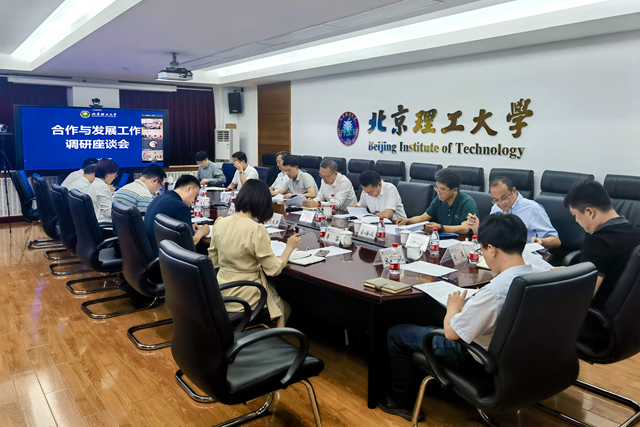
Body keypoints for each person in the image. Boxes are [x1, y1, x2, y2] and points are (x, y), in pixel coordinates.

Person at [379, 214, 535, 421]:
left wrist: (453, 308)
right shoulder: (537, 277)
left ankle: (401, 403)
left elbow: (452, 333)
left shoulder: (496, 291)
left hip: (479, 359)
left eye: (482, 250)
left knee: (397, 334)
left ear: (492, 249)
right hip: (524, 361)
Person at [209, 179, 301, 327]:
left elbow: (213, 261)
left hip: (221, 292)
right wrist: (289, 247)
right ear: (263, 203)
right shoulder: (256, 229)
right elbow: (274, 270)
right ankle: (273, 338)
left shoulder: (220, 222)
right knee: (285, 307)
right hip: (247, 295)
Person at [564, 180, 640, 309]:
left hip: (595, 314)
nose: (576, 220)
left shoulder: (598, 242)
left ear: (589, 212)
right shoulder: (635, 232)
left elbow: (581, 298)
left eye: (575, 215)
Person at [467, 176, 561, 249]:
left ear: (513, 191)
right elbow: (489, 237)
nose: (501, 203)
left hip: (528, 255)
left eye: (504, 198)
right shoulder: (495, 208)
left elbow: (556, 241)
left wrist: (541, 241)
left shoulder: (533, 209)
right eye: (496, 200)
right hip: (502, 254)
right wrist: (476, 229)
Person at [396, 168, 477, 235]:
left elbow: (464, 229)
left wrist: (441, 227)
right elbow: (422, 218)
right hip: (441, 240)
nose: (438, 192)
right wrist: (407, 221)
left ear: (455, 190)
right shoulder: (439, 199)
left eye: (442, 189)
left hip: (461, 242)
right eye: (437, 188)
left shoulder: (467, 202)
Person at [144, 174, 210, 255]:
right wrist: (201, 232)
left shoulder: (158, 199)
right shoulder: (180, 207)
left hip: (152, 252)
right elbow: (188, 246)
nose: (193, 201)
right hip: (166, 257)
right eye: (195, 196)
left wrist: (187, 228)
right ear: (189, 189)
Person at [86, 159, 118, 223]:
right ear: (107, 175)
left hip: (95, 222)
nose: (114, 178)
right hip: (104, 224)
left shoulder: (94, 184)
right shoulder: (102, 187)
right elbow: (109, 213)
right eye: (115, 175)